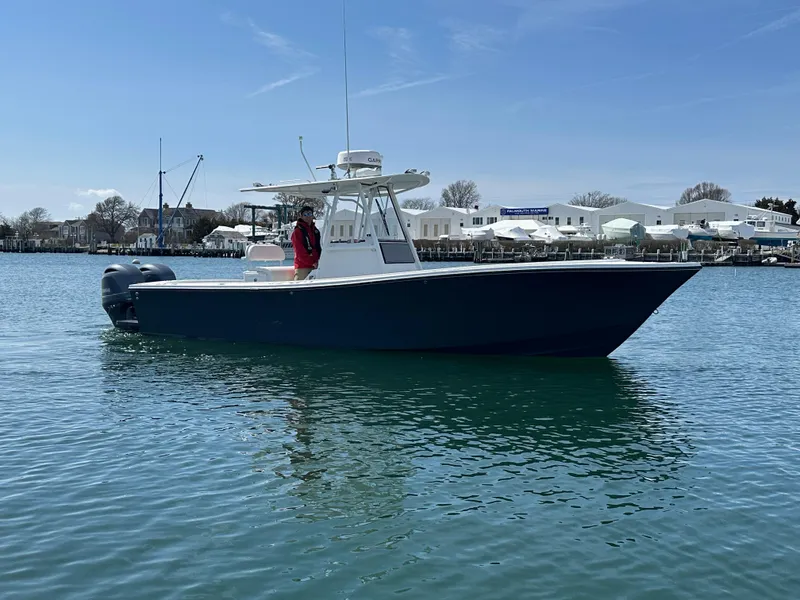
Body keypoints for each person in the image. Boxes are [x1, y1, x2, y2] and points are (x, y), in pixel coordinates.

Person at [291, 205, 322, 280]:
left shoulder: (315, 231)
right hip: (303, 267)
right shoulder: (297, 232)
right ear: (301, 216)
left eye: (310, 214)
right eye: (305, 214)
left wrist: (319, 261)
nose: (308, 216)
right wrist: (312, 262)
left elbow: (319, 247)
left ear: (312, 216)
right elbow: (299, 252)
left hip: (316, 266)